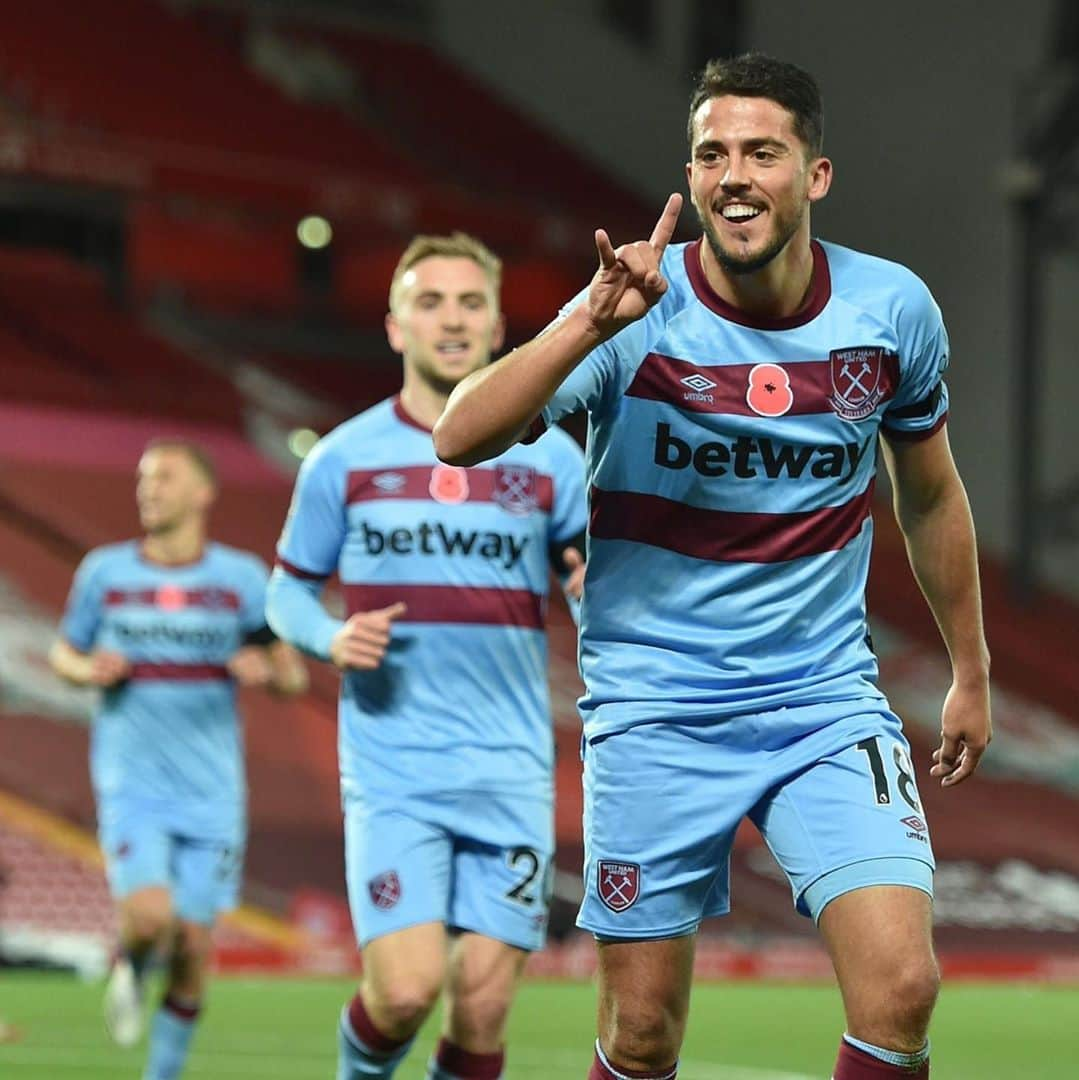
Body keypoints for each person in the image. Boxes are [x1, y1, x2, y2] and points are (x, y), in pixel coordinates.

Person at [433, 53, 992, 1080]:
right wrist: (589, 326)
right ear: (689, 180)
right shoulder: (631, 310)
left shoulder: (891, 310)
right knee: (643, 1035)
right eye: (711, 154)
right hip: (655, 708)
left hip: (823, 700)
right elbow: (460, 436)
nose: (734, 174)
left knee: (903, 989)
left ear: (814, 175)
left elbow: (932, 493)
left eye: (762, 152)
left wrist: (970, 670)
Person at [266, 232, 588, 1080]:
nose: (452, 319)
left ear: (497, 326)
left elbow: (591, 583)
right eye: (431, 302)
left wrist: (598, 594)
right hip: (395, 771)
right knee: (405, 994)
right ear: (395, 325)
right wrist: (330, 637)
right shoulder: (343, 457)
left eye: (470, 302)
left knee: (481, 1011)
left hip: (511, 771)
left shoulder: (551, 458)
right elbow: (285, 593)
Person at [50, 439, 308, 1080]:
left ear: (202, 492)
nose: (148, 489)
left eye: (164, 477)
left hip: (213, 790)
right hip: (132, 780)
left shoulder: (239, 580)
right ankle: (132, 962)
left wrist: (266, 670)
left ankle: (160, 1075)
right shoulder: (106, 575)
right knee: (147, 921)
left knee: (193, 945)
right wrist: (88, 669)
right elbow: (63, 653)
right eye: (143, 479)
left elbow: (293, 675)